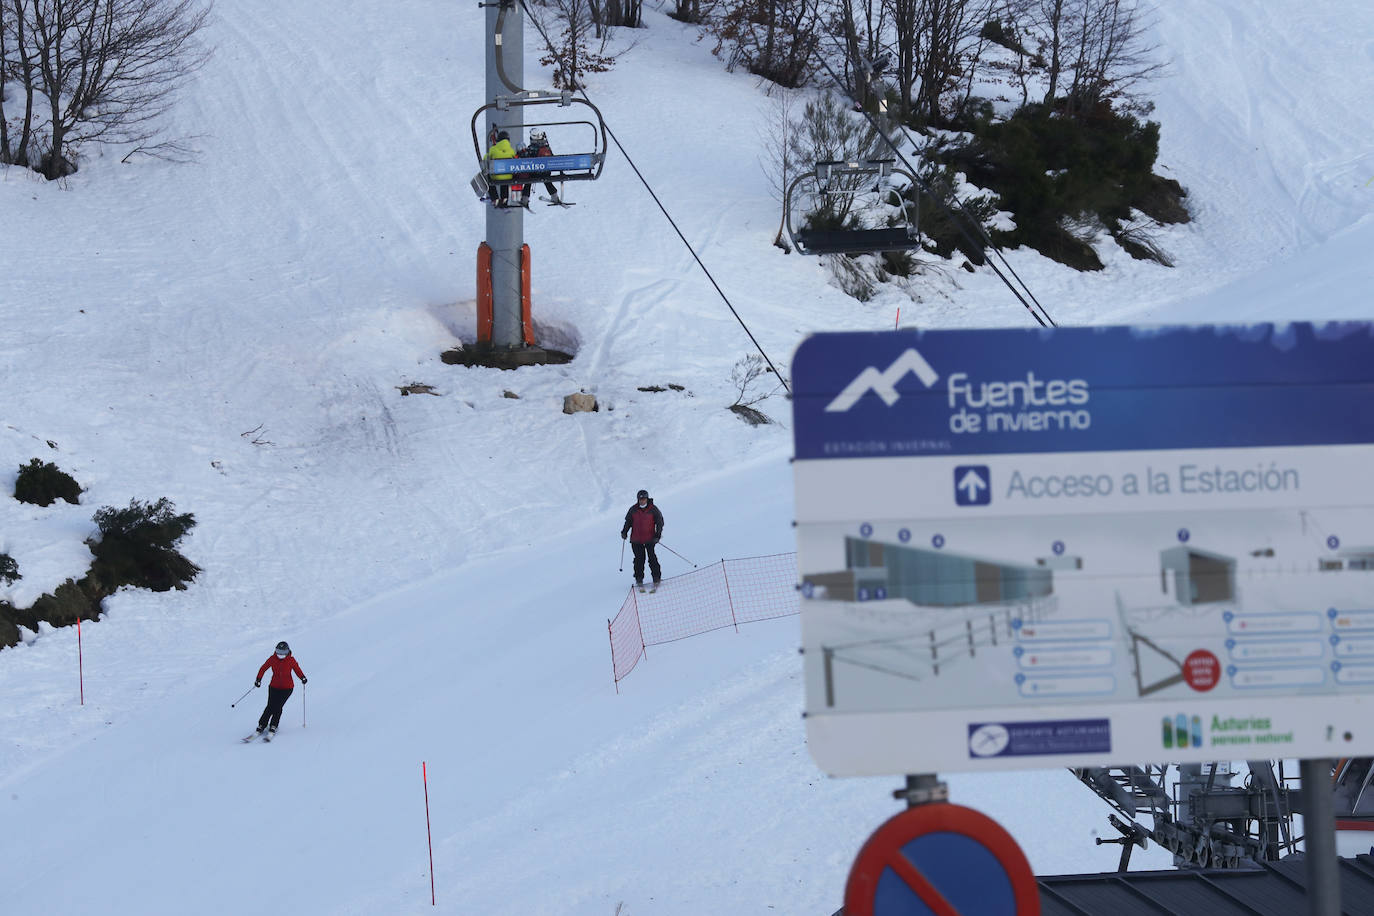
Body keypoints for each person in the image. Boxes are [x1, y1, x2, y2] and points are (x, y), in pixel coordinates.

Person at [253, 640, 307, 737]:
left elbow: (297, 670)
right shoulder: (272, 659)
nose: (280, 655)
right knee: (270, 706)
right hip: (274, 686)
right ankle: (262, 725)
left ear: (287, 652)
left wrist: (302, 677)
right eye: (278, 652)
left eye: (283, 653)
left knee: (277, 706)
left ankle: (273, 725)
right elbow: (263, 668)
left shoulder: (291, 660)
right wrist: (258, 679)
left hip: (287, 688)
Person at [620, 489, 664, 587]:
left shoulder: (653, 509)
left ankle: (656, 578)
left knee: (652, 558)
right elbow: (628, 522)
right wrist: (624, 532)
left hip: (650, 539)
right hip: (636, 540)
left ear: (647, 499)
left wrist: (658, 535)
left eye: (644, 499)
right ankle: (639, 579)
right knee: (639, 559)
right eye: (640, 499)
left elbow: (660, 522)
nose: (642, 501)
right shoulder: (633, 509)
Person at [517, 129, 560, 206]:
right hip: (546, 172)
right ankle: (555, 197)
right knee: (547, 181)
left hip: (535, 173)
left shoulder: (531, 148)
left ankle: (525, 199)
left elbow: (526, 159)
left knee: (528, 180)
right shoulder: (546, 147)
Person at [484, 130, 517, 207]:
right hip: (508, 176)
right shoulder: (511, 150)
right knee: (505, 178)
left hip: (496, 176)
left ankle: (495, 198)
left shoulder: (493, 149)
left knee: (488, 178)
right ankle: (504, 198)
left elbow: (485, 158)